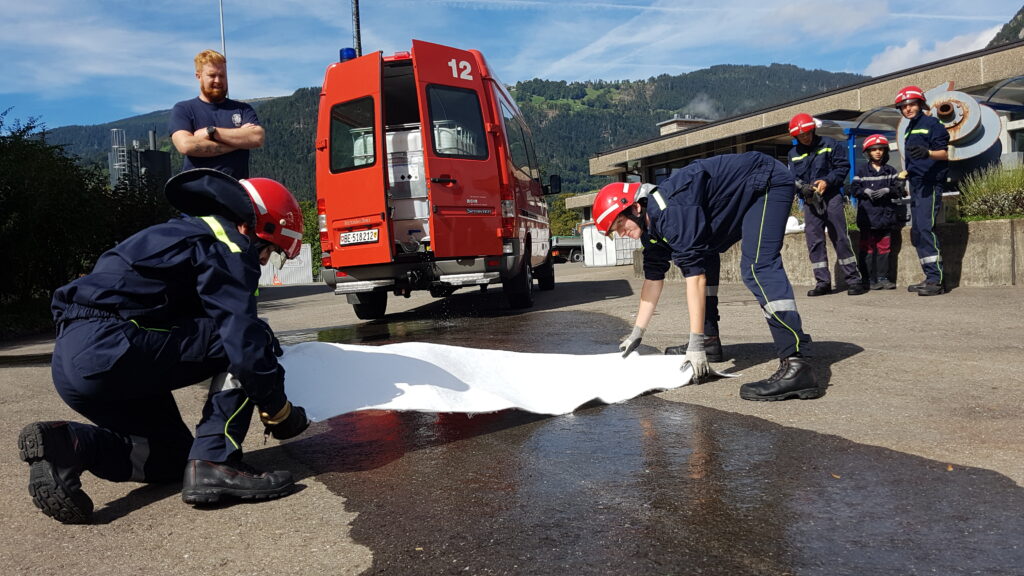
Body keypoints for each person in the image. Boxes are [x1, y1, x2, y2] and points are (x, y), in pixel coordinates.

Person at [18, 168, 309, 524]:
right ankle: (216, 461)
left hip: (75, 361)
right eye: (270, 250)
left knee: (171, 458)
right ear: (253, 226)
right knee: (251, 339)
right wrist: (279, 411)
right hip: (115, 346)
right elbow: (242, 340)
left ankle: (69, 445)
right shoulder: (227, 242)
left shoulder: (178, 234)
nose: (263, 261)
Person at [597, 151, 823, 402]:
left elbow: (694, 278)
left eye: (620, 225)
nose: (621, 234)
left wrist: (693, 346)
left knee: (758, 266)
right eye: (614, 231)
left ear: (635, 208)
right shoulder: (651, 230)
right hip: (741, 192)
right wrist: (637, 333)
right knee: (704, 254)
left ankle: (797, 362)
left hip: (766, 182)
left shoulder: (672, 212)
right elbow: (652, 280)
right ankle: (709, 340)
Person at [787, 113, 867, 296]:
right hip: (810, 201)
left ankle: (854, 280)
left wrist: (827, 181)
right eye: (801, 135)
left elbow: (842, 167)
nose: (805, 137)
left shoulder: (830, 144)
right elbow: (792, 179)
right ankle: (822, 282)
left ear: (813, 130)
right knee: (814, 240)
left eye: (807, 133)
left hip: (831, 197)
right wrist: (803, 189)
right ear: (796, 136)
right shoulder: (793, 154)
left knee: (840, 237)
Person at [169, 49, 264, 179]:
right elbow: (186, 146)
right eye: (212, 75)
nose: (218, 80)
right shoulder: (183, 109)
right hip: (196, 189)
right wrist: (239, 142)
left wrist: (212, 132)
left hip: (235, 189)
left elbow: (257, 137)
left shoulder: (243, 109)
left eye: (222, 75)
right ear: (198, 76)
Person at [895, 86, 950, 296]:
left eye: (911, 104)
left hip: (930, 183)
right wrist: (903, 177)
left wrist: (928, 153)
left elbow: (944, 153)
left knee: (926, 229)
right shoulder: (910, 128)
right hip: (916, 184)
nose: (908, 109)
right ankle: (929, 276)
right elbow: (914, 161)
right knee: (917, 232)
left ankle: (937, 281)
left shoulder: (933, 124)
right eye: (903, 106)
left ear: (920, 104)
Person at [848, 135, 905, 290]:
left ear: (885, 151)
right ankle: (868, 279)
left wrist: (888, 190)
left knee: (884, 248)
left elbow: (900, 191)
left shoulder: (890, 170)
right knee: (866, 248)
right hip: (867, 218)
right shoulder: (861, 171)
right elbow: (853, 189)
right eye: (874, 150)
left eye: (880, 149)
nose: (878, 152)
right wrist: (864, 191)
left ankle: (883, 278)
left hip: (885, 218)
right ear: (868, 152)